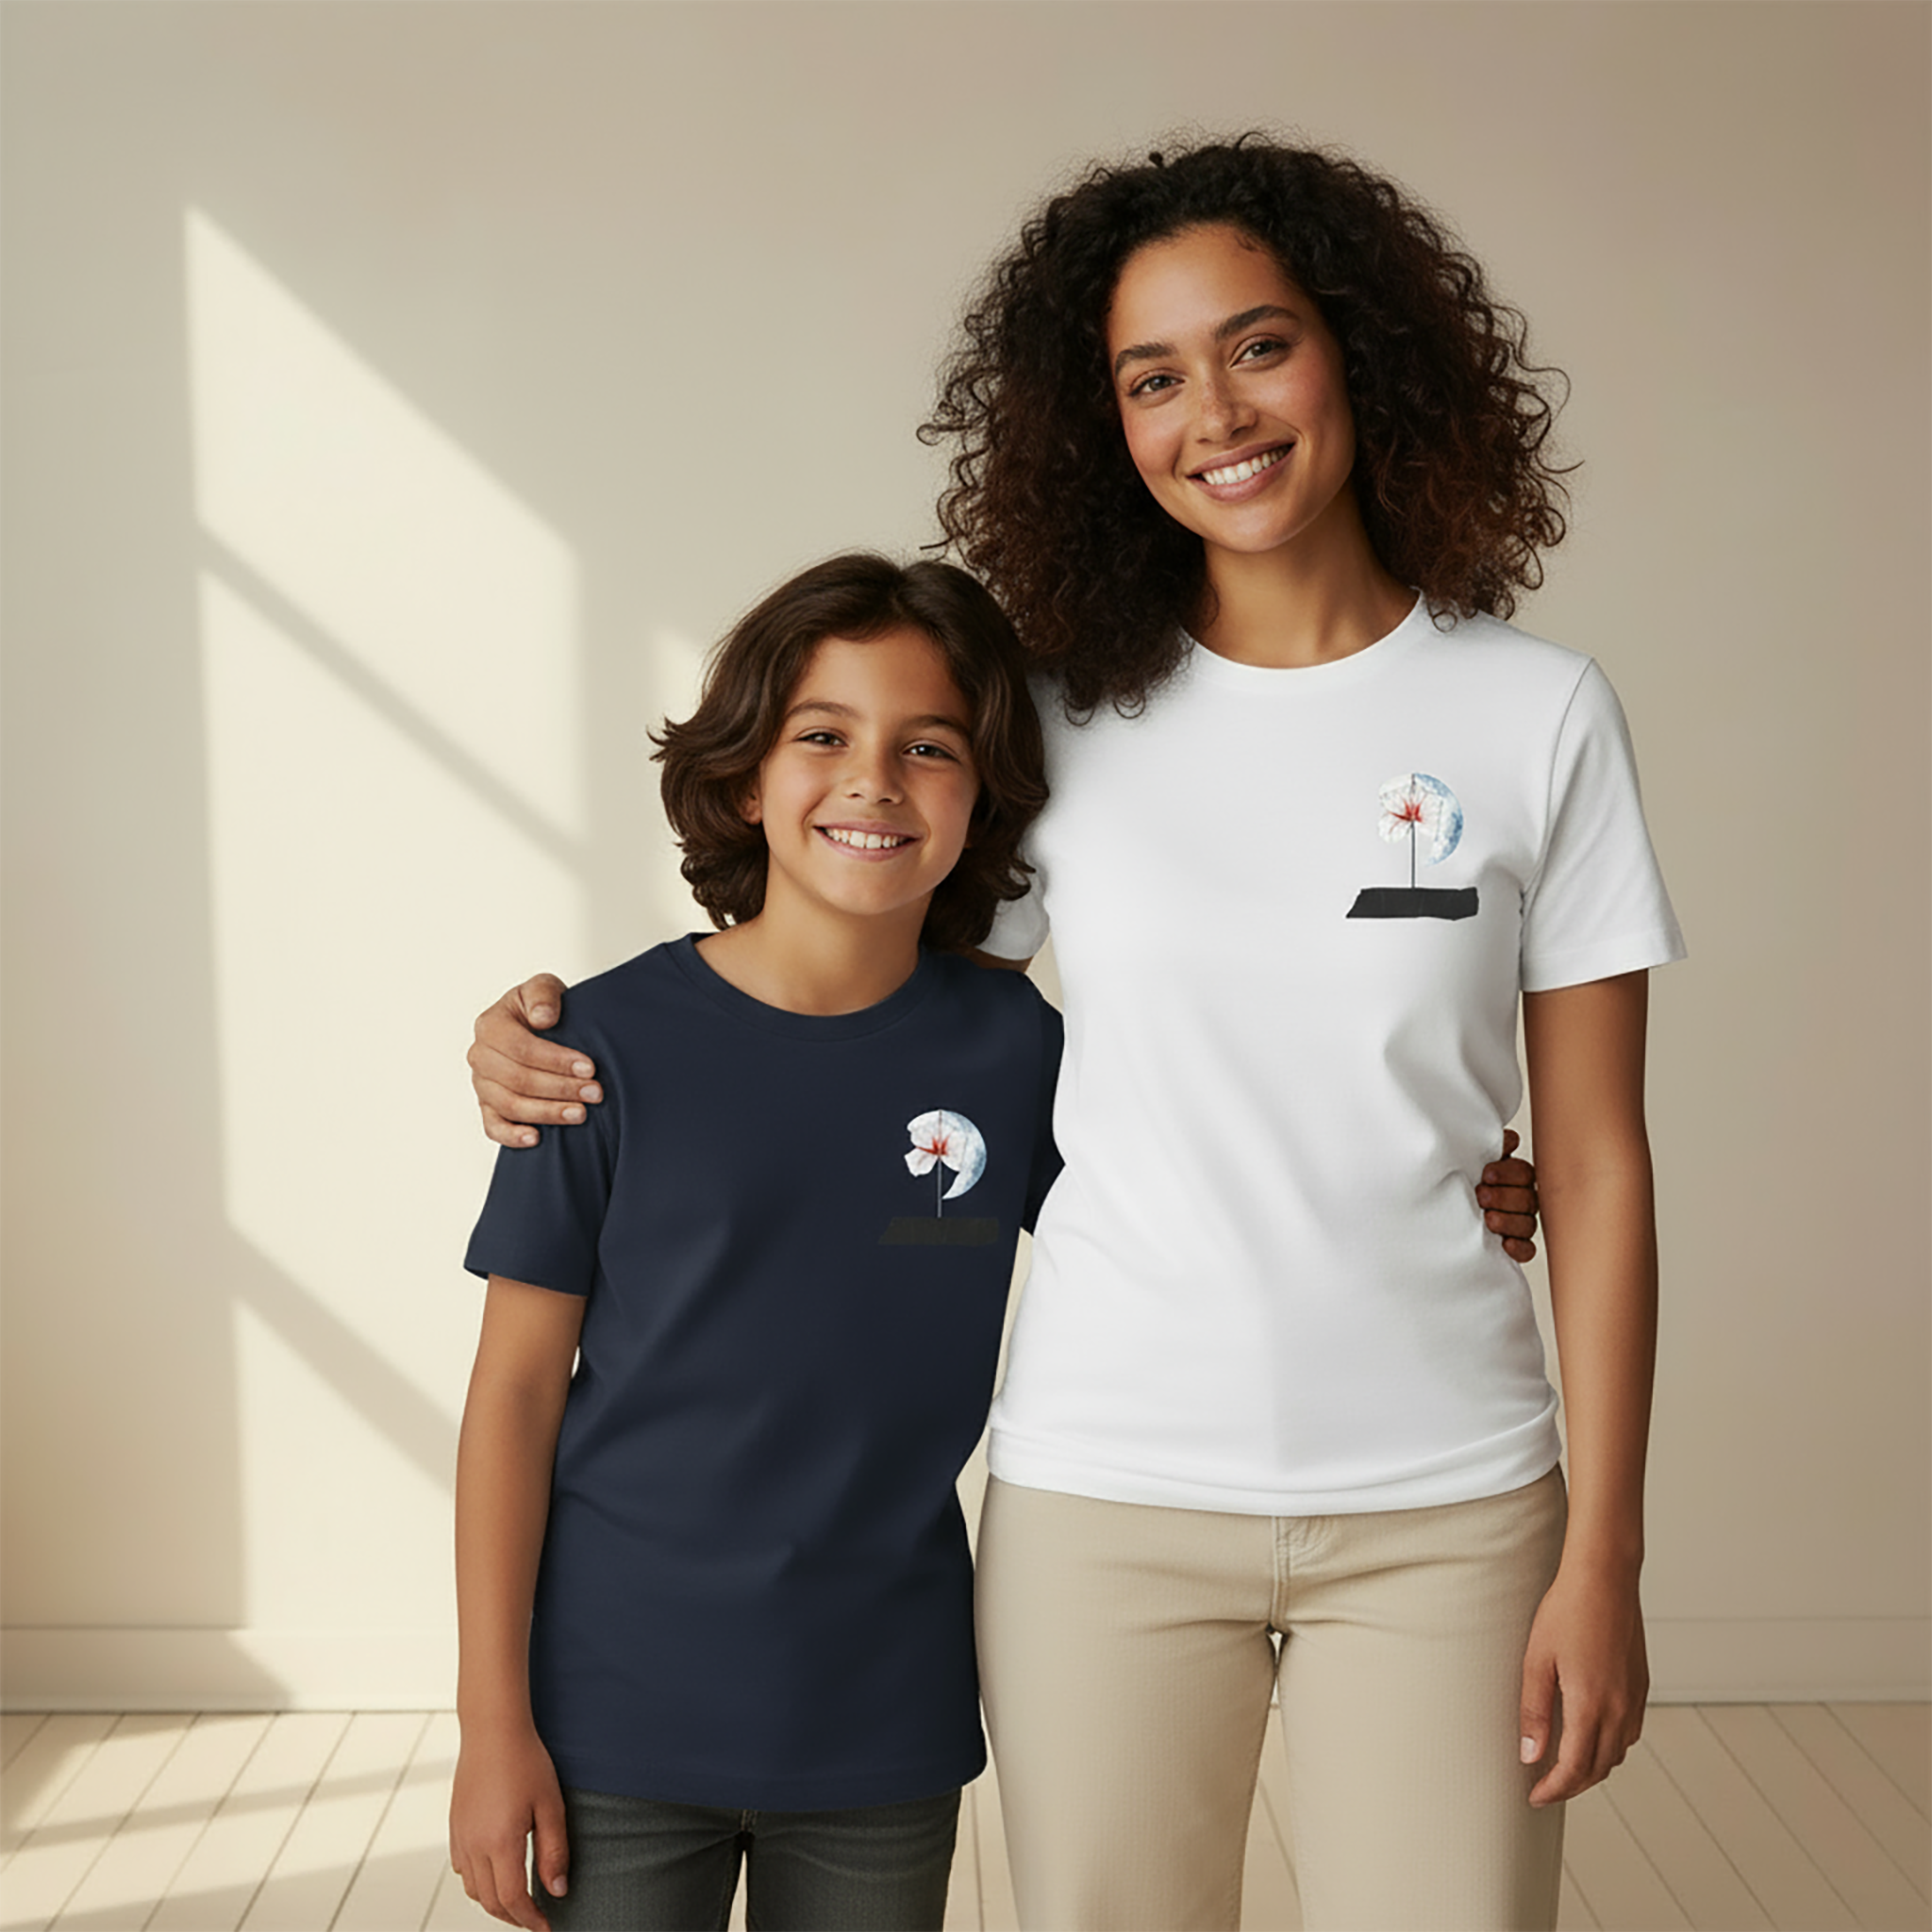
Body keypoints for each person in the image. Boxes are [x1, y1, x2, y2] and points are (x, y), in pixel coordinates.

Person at [473, 134, 1669, 1932]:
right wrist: (555, 1032)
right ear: (1101, 422)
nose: (1217, 412)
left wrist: (1606, 1552)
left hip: (1451, 1499)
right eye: (1152, 376)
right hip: (1105, 1499)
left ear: (1358, 350)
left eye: (1258, 345)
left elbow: (1590, 1156)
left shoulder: (1537, 716)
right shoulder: (1048, 720)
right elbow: (843, 973)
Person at [449, 553, 1063, 1932]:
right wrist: (495, 1725)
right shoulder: (594, 1050)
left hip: (881, 1721)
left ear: (983, 798)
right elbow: (514, 1397)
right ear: (744, 778)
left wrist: (1479, 1184)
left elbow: (1186, 1220)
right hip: (609, 1720)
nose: (875, 781)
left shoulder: (1019, 1051)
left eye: (928, 747)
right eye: (824, 736)